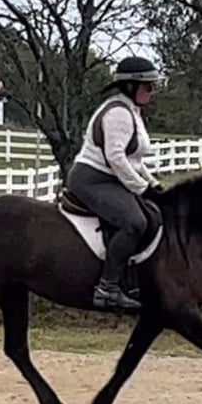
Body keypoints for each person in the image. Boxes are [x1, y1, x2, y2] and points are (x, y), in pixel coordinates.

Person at [66, 56, 163, 310]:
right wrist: (141, 188)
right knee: (134, 222)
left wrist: (153, 184)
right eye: (147, 86)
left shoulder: (132, 111)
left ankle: (133, 281)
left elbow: (135, 159)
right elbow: (116, 158)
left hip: (110, 178)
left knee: (153, 213)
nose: (151, 91)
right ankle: (107, 288)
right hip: (92, 180)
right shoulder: (118, 113)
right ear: (130, 86)